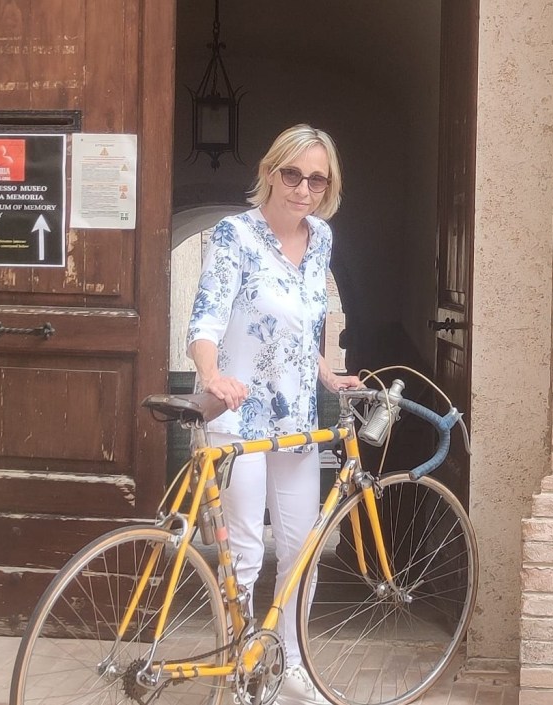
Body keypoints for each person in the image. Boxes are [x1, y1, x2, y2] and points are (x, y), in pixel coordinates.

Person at [186, 124, 360, 705]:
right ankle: (239, 671)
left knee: (301, 546)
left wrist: (327, 373)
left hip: (298, 419)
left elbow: (298, 327)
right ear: (268, 172)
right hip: (239, 415)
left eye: (317, 178)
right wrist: (212, 376)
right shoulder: (235, 236)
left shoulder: (323, 240)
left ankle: (288, 664)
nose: (303, 188)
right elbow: (206, 319)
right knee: (245, 554)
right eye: (292, 174)